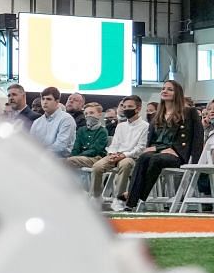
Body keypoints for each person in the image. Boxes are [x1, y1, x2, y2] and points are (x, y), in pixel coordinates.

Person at [119, 79, 203, 211]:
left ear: (178, 93)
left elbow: (198, 137)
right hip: (159, 151)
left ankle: (132, 198)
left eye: (170, 89)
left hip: (177, 154)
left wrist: (196, 162)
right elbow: (152, 139)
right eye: (163, 88)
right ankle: (132, 200)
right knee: (144, 157)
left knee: (155, 159)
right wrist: (156, 148)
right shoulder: (157, 114)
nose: (165, 91)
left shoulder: (189, 111)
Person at [82, 95, 148, 200]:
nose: (126, 109)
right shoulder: (121, 126)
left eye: (129, 106)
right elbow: (114, 144)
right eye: (124, 106)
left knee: (125, 164)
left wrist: (123, 155)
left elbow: (141, 148)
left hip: (132, 157)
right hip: (116, 155)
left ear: (138, 109)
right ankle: (95, 197)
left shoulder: (145, 126)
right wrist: (112, 154)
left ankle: (119, 198)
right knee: (97, 167)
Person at [28, 86, 76, 157]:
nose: (45, 102)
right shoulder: (37, 122)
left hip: (60, 160)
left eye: (49, 99)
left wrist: (40, 154)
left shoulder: (66, 119)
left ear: (57, 102)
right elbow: (30, 144)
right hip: (39, 158)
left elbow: (61, 147)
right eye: (43, 99)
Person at [64, 101, 112, 170]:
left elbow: (95, 150)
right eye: (86, 114)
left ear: (99, 114)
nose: (88, 115)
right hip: (79, 158)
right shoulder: (81, 130)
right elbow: (76, 147)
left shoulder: (102, 131)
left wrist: (76, 157)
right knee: (59, 161)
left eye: (91, 113)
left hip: (95, 158)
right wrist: (73, 155)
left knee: (69, 161)